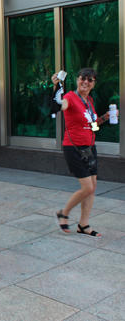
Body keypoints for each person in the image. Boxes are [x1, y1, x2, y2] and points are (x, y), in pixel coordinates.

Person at [54, 68, 117, 238]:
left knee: (92, 187)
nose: (86, 82)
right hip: (74, 148)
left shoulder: (88, 100)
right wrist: (56, 88)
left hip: (90, 147)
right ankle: (63, 212)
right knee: (87, 187)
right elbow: (59, 105)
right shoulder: (69, 97)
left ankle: (83, 224)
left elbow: (92, 124)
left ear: (94, 84)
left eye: (90, 80)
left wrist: (106, 116)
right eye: (83, 78)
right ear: (77, 79)